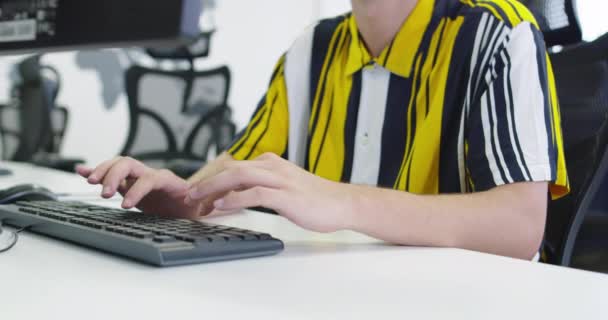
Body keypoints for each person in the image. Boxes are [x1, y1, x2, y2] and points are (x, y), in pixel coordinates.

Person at [77, 0, 569, 260]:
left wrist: (342, 201)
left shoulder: (499, 32)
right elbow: (233, 176)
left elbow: (520, 229)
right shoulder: (313, 47)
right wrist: (179, 195)